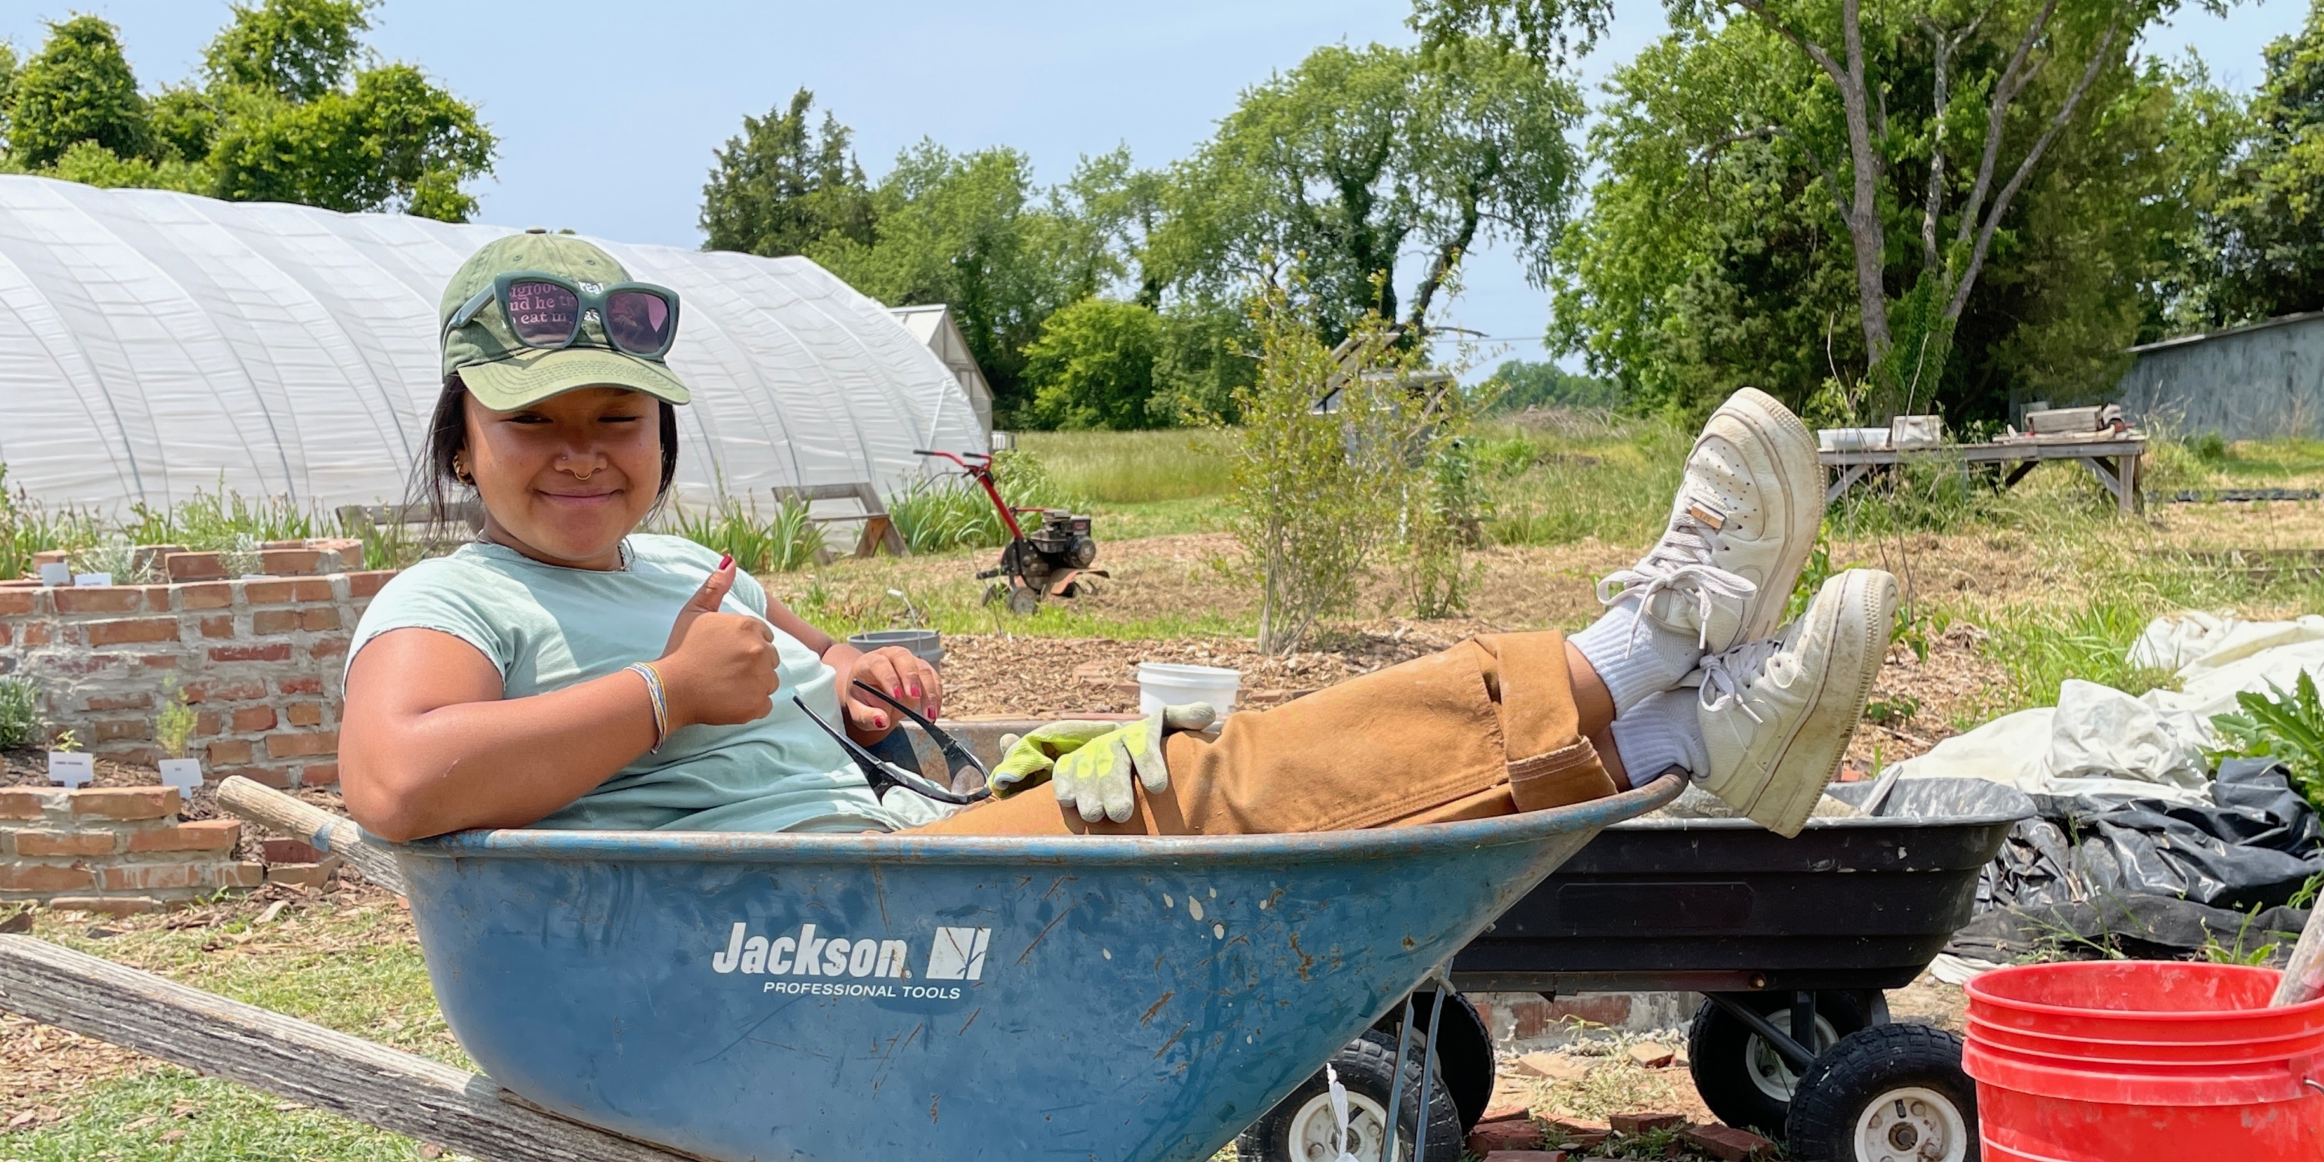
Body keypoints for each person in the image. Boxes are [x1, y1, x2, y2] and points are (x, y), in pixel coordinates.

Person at [339, 232, 1896, 847]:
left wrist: (857, 675)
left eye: (615, 424)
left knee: (1211, 742)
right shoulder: (454, 595)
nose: (580, 459)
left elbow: (808, 685)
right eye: (534, 424)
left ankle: (1676, 711)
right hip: (811, 935)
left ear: (661, 439)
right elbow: (398, 780)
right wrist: (667, 700)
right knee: (1207, 784)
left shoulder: (686, 577)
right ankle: (1658, 672)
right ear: (460, 435)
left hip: (902, 866)